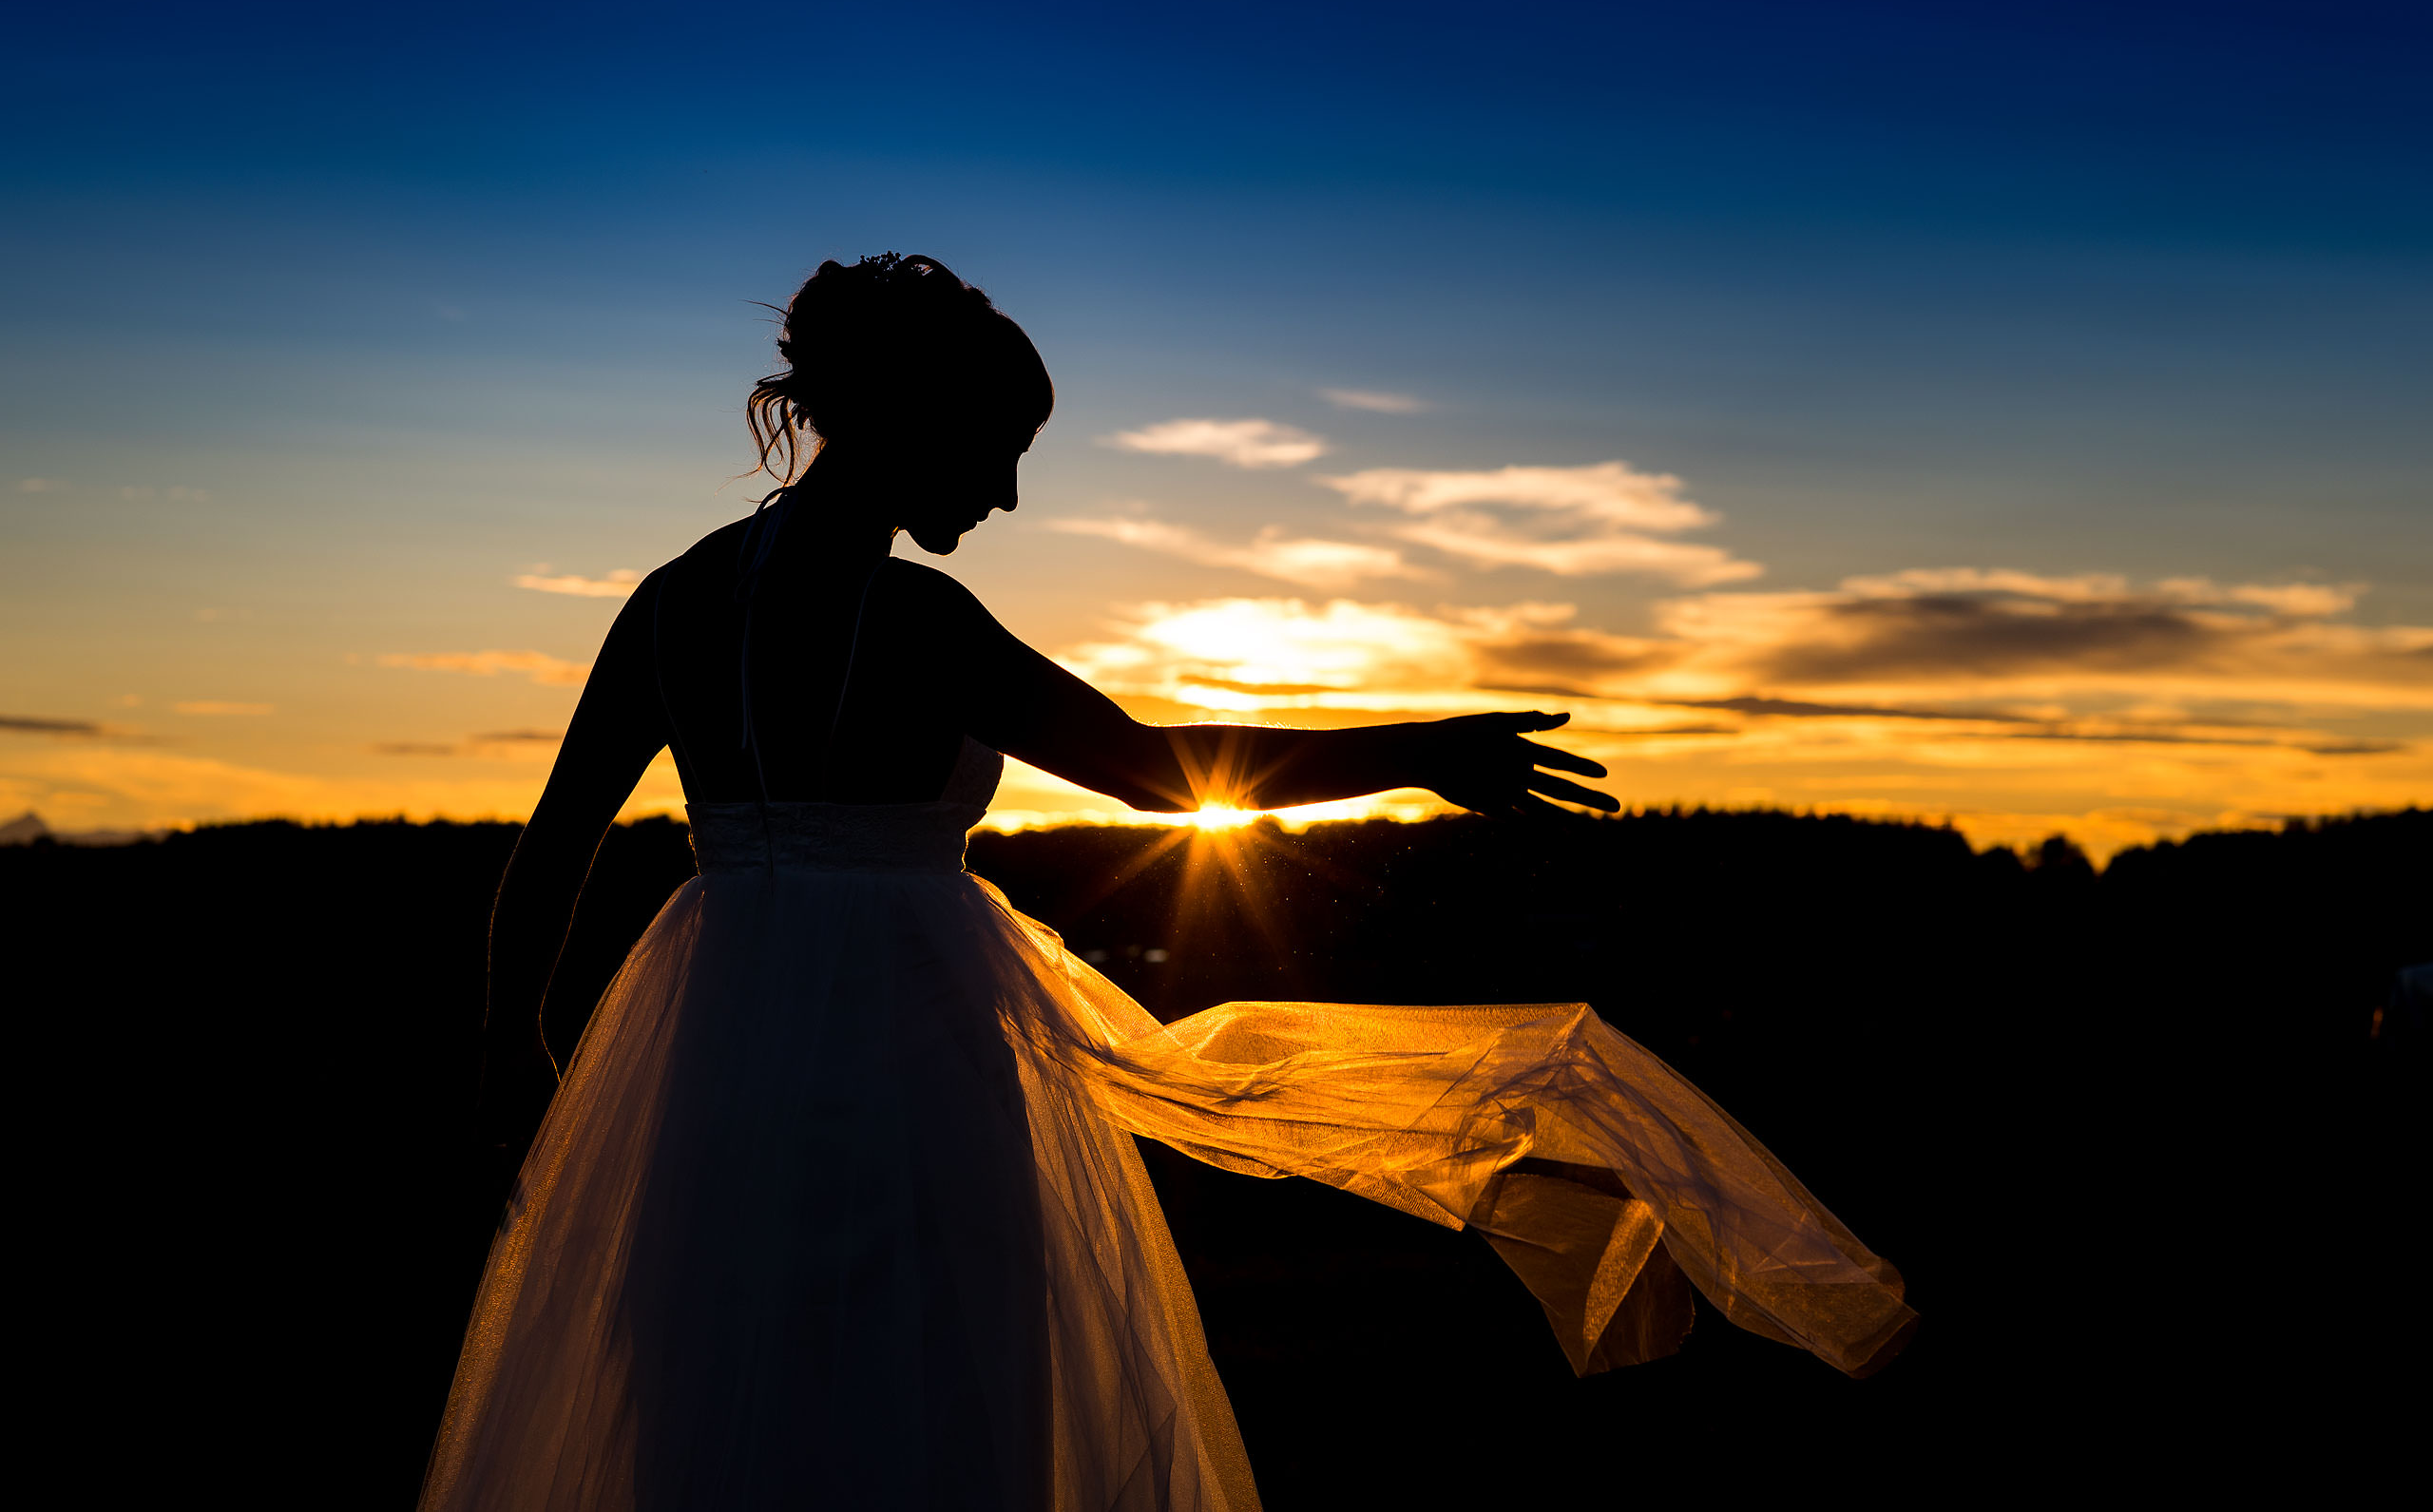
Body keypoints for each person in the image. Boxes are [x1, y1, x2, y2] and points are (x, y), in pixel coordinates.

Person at [421, 254, 1914, 1512]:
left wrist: (520, 1048)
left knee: (713, 1383)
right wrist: (1416, 745)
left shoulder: (673, 603)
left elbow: (553, 846)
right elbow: (1156, 770)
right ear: (917, 418)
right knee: (938, 1388)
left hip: (706, 1042)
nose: (1005, 493)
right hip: (914, 1046)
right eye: (996, 448)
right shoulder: (921, 621)